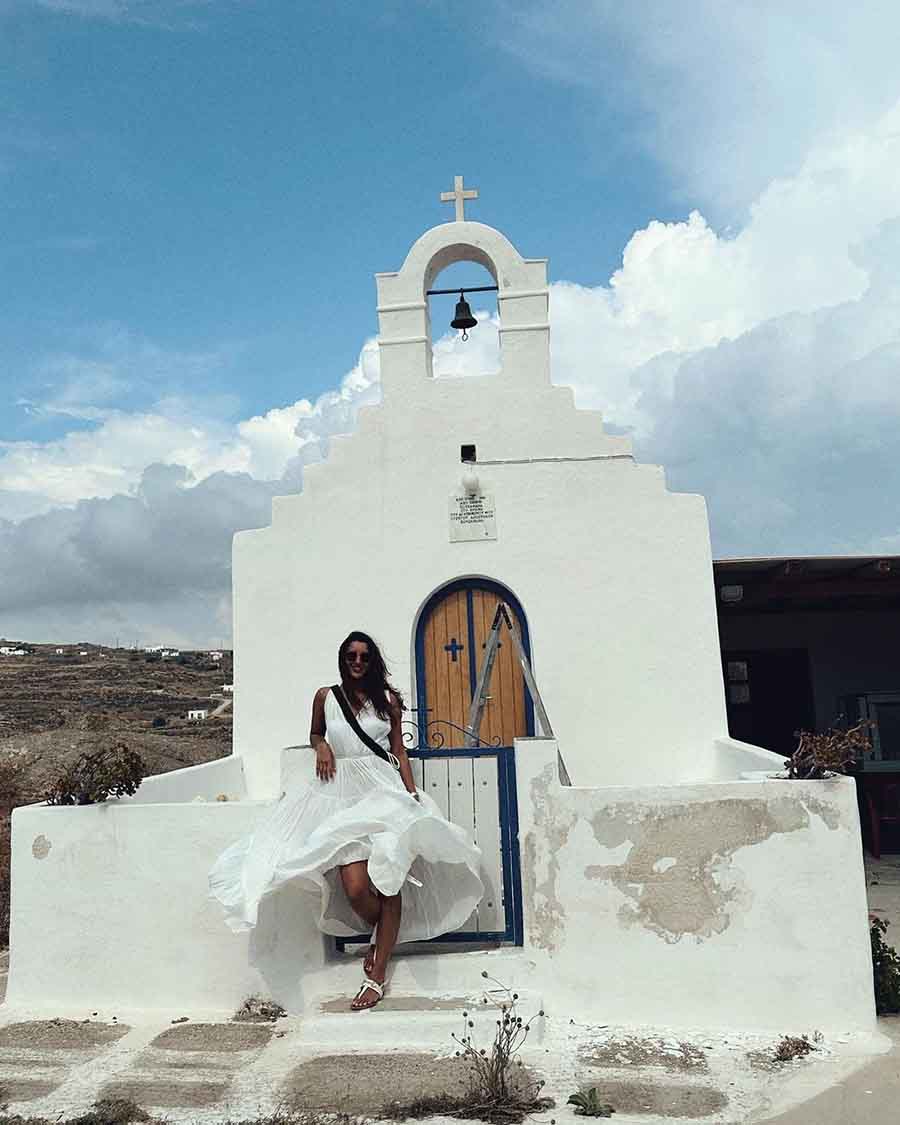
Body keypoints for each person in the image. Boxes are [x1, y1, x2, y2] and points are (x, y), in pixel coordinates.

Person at [208, 630, 484, 1011]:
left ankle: (376, 975)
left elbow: (399, 751)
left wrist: (410, 793)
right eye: (351, 656)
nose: (357, 662)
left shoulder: (388, 701)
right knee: (355, 889)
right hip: (342, 801)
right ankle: (382, 935)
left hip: (383, 794)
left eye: (364, 656)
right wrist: (321, 745)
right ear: (342, 660)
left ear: (373, 662)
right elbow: (315, 732)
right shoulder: (326, 697)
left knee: (389, 878)